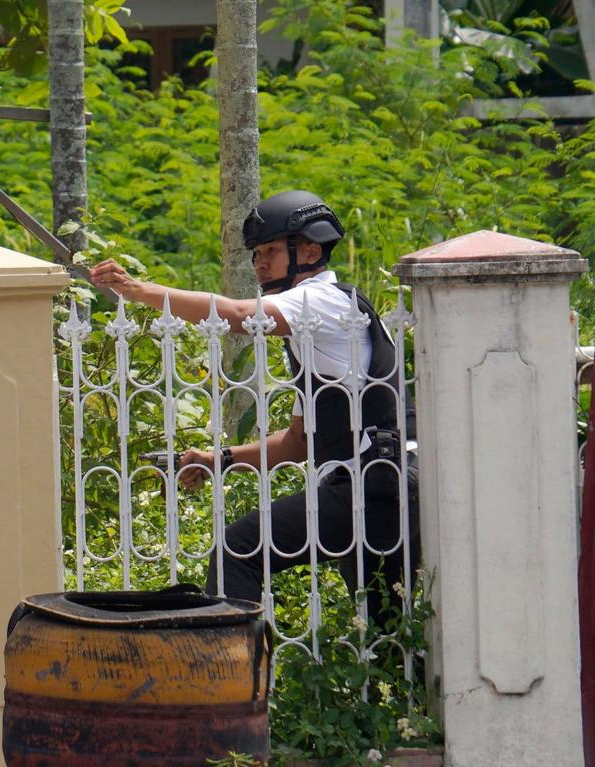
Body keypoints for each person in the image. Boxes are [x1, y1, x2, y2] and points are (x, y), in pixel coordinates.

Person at [90, 190, 418, 626]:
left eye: (270, 251)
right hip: (385, 485)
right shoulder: (316, 327)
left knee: (238, 550)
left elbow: (240, 315)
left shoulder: (321, 301)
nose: (259, 263)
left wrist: (138, 290)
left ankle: (226, 681)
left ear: (310, 251)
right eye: (255, 254)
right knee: (389, 626)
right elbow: (297, 443)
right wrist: (218, 460)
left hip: (376, 485)